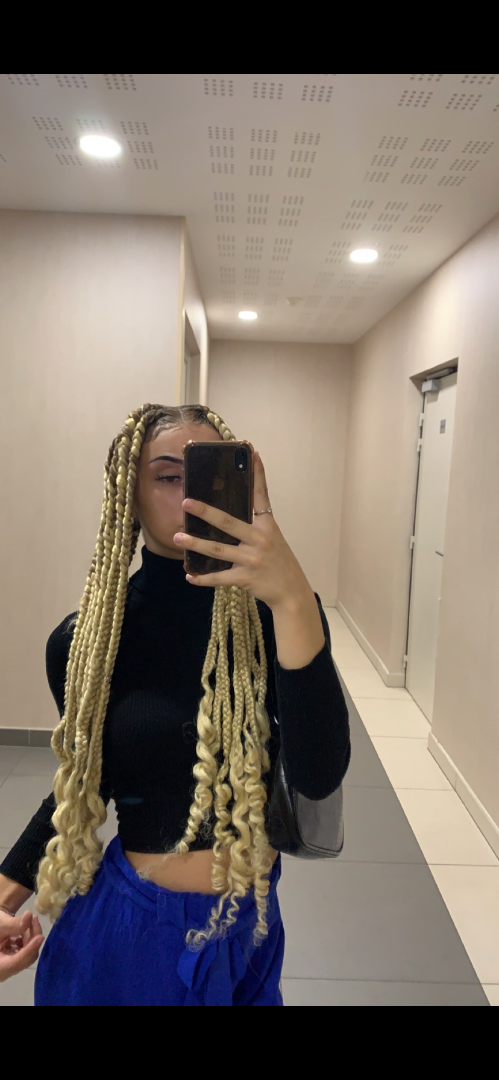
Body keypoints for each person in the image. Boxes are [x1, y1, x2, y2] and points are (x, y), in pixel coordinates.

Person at [0, 403, 350, 1006]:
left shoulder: (277, 616)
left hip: (250, 930)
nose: (192, 496)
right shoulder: (89, 643)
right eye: (168, 476)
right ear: (129, 496)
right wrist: (5, 895)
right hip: (134, 936)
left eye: (212, 474)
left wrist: (294, 598)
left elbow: (319, 775)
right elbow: (86, 785)